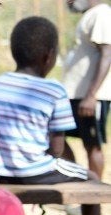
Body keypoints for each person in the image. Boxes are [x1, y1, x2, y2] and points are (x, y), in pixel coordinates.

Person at [0, 16, 110, 215]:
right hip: (35, 170)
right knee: (92, 179)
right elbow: (55, 148)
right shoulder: (54, 89)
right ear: (48, 56)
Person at [62, 0, 111, 179]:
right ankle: (77, 182)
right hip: (75, 94)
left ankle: (93, 198)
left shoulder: (102, 13)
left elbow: (107, 53)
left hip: (89, 96)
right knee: (55, 137)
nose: (70, 1)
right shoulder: (91, 15)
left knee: (92, 145)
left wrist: (91, 96)